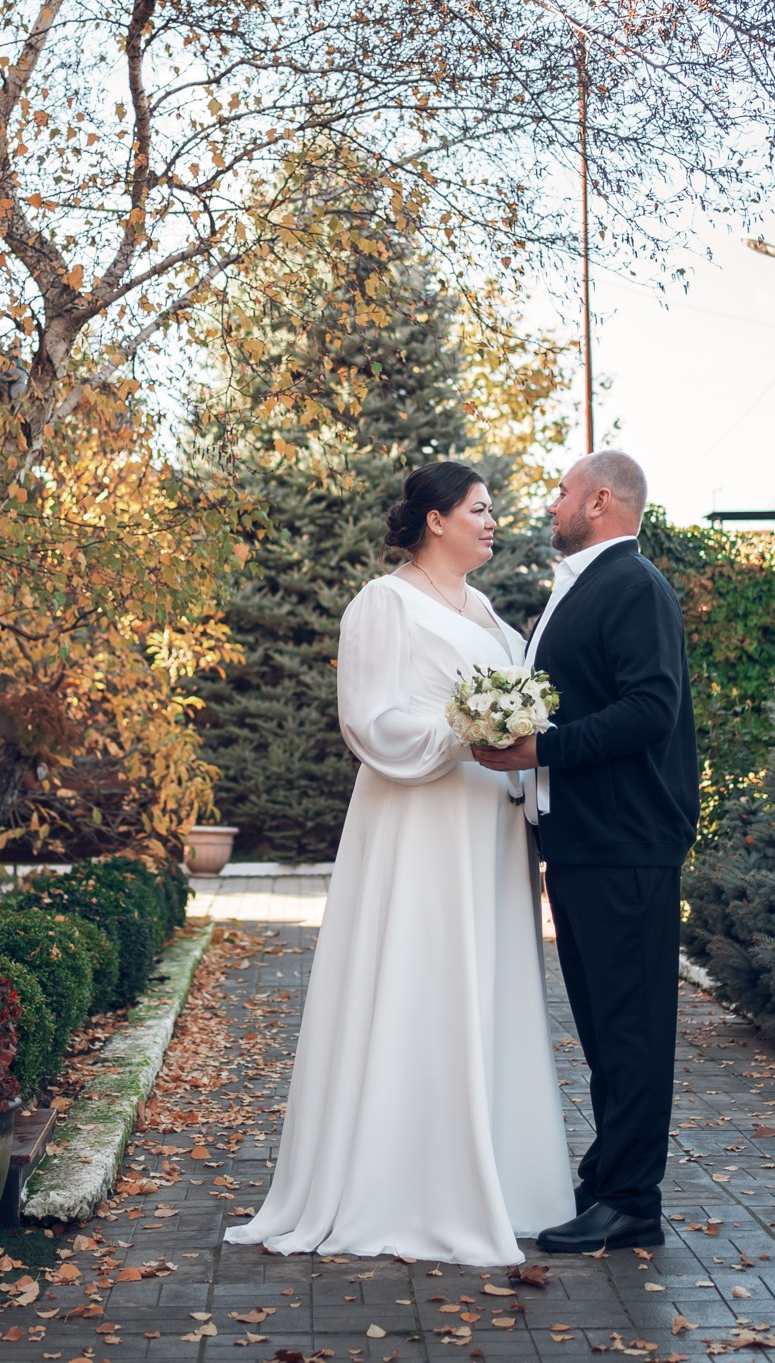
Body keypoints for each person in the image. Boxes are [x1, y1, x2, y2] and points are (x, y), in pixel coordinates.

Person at [225, 461, 576, 1265]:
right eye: (479, 508)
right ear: (435, 519)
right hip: (421, 821)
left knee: (486, 984)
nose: (492, 521)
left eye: (491, 509)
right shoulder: (382, 603)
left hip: (489, 828)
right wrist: (462, 734)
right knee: (421, 975)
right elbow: (369, 721)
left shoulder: (486, 610)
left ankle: (505, 1180)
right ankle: (400, 1184)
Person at [472, 450, 697, 1252]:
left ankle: (633, 1200)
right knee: (605, 1029)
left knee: (631, 1028)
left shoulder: (632, 584)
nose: (552, 503)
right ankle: (608, 1178)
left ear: (601, 500)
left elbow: (651, 708)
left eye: (563, 490)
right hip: (584, 843)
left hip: (626, 842)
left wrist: (544, 748)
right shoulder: (586, 584)